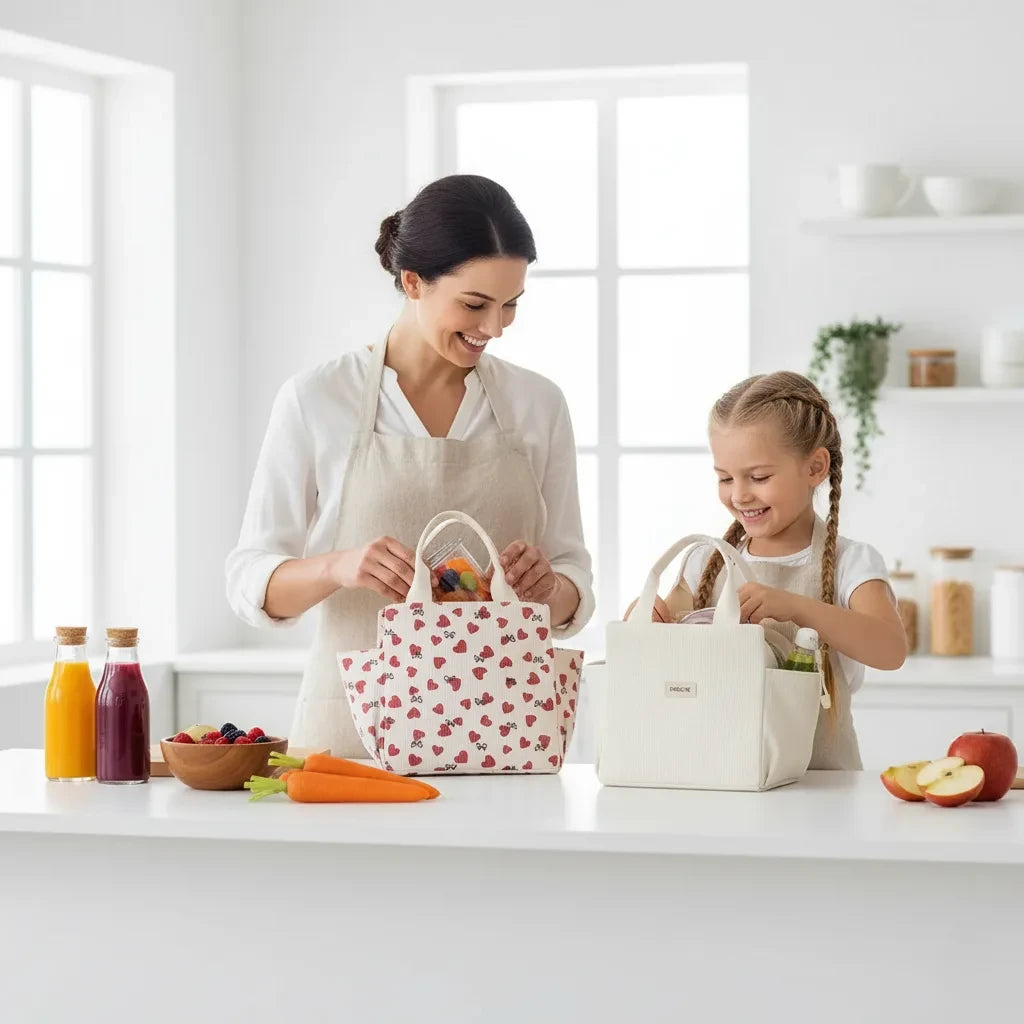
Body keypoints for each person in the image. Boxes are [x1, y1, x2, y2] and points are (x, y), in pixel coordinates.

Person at [226, 174, 594, 755]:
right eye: (474, 304)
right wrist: (339, 567)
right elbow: (251, 582)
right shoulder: (318, 398)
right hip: (351, 741)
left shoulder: (537, 404)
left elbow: (573, 581)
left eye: (510, 306)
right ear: (413, 281)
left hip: (501, 734)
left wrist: (550, 588)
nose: (494, 328)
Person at [636, 371, 907, 769]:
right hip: (719, 774)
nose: (739, 494)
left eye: (759, 477)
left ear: (815, 467)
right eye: (725, 478)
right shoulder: (704, 562)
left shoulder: (852, 562)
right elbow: (660, 646)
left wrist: (795, 607)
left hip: (822, 787)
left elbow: (891, 649)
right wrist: (643, 619)